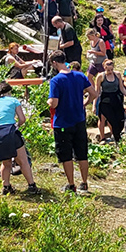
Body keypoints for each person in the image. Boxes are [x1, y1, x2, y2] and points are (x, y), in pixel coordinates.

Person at [47, 50, 96, 194]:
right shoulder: (80, 75)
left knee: (66, 155)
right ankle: (84, 183)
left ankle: (71, 184)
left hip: (63, 122)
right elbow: (93, 93)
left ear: (55, 63)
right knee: (82, 153)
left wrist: (49, 101)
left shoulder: (56, 80)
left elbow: (54, 103)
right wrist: (84, 103)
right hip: (79, 120)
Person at [0, 82, 38, 195]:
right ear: (9, 92)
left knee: (6, 162)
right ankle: (31, 186)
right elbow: (22, 119)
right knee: (23, 160)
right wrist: (17, 125)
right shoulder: (13, 100)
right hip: (10, 131)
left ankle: (6, 186)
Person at [95, 57, 126, 144]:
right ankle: (104, 138)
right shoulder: (100, 76)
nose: (110, 71)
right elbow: (97, 91)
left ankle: (116, 135)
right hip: (105, 100)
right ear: (104, 68)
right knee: (104, 118)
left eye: (111, 69)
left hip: (116, 98)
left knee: (119, 119)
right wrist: (95, 104)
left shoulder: (117, 74)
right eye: (108, 69)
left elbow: (121, 87)